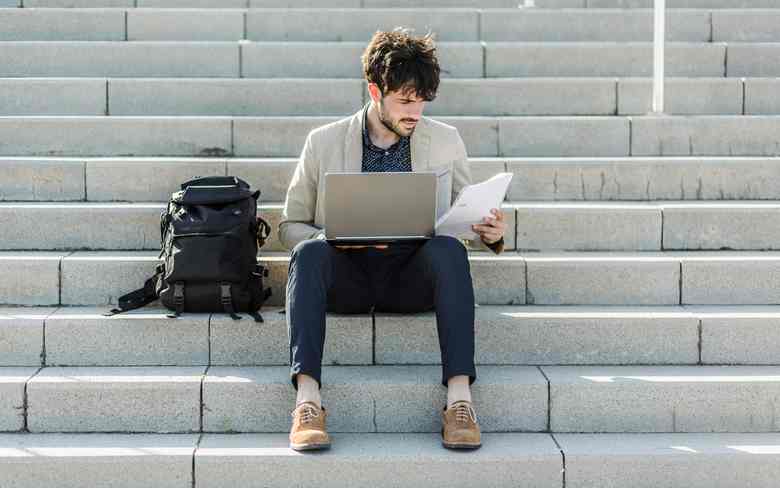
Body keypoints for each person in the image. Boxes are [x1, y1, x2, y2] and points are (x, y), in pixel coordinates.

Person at [278, 27, 507, 452]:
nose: (414, 112)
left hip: (411, 277)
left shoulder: (446, 140)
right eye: (404, 100)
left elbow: (466, 215)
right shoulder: (323, 142)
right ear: (374, 90)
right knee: (308, 253)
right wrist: (332, 236)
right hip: (345, 276)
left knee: (449, 250)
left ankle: (460, 402)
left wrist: (488, 232)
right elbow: (289, 225)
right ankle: (307, 401)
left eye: (421, 100)